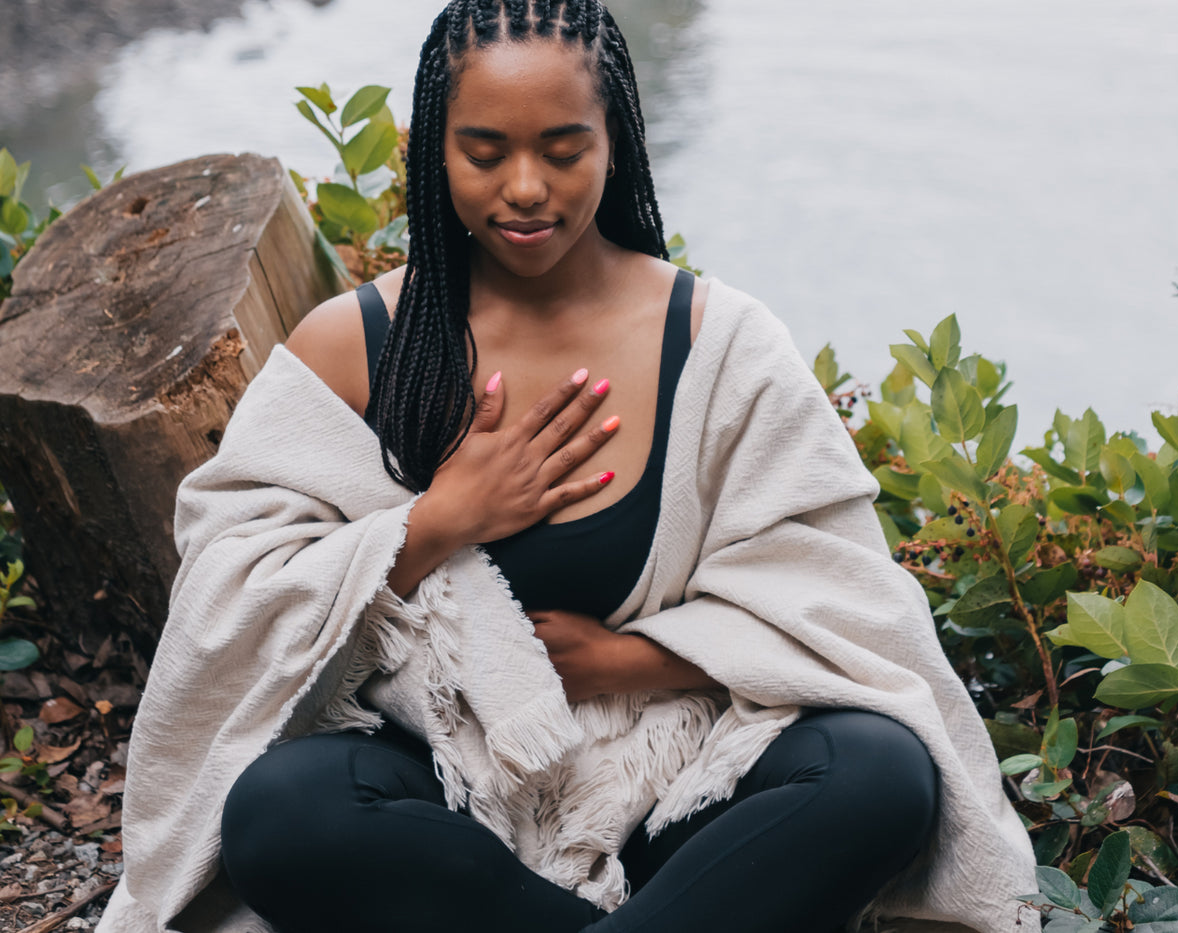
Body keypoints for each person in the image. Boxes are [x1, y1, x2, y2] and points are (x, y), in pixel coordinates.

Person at [95, 3, 1035, 932]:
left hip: (672, 784)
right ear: (434, 151)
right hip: (443, 789)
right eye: (484, 152)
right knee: (279, 811)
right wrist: (442, 519)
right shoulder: (354, 346)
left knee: (879, 770)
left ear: (614, 142)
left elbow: (840, 604)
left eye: (563, 149)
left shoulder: (721, 345)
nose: (525, 188)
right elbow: (230, 599)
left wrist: (628, 660)